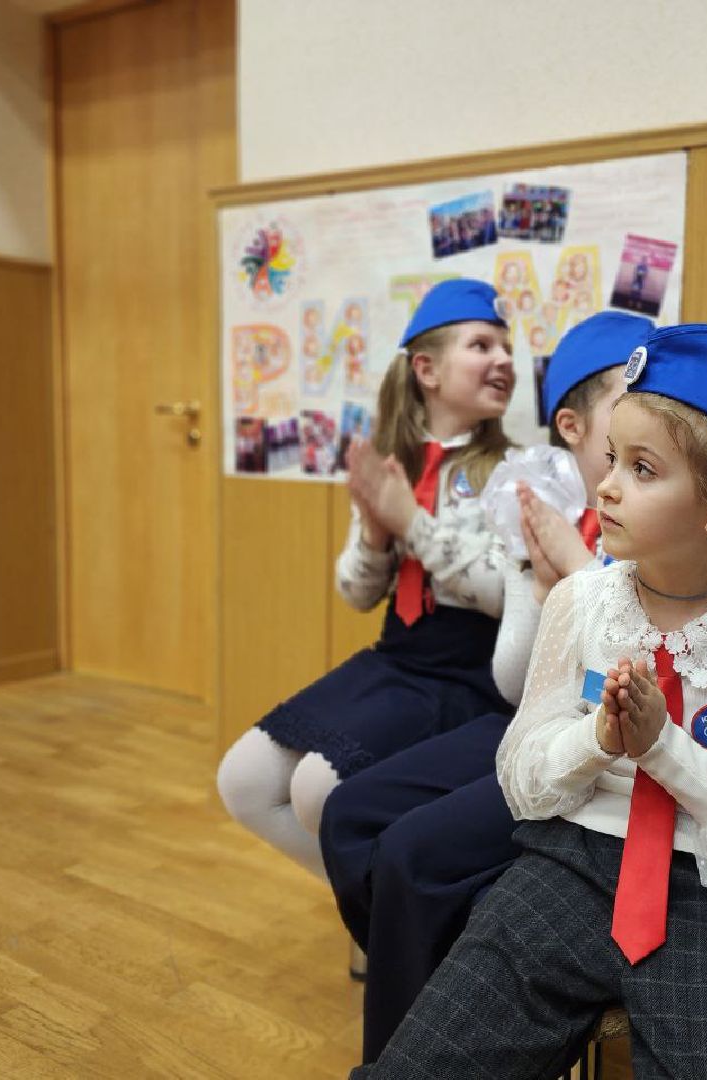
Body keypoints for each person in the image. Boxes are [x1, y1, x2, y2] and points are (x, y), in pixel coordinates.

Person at [355, 322, 707, 1079]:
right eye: (611, 458)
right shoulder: (581, 601)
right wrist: (600, 742)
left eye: (642, 469)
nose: (606, 484)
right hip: (569, 866)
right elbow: (522, 770)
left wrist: (664, 749)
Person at [319, 311, 654, 1064]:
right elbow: (517, 677)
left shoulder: (660, 511)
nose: (650, 420)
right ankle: (429, 987)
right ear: (571, 427)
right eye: (628, 404)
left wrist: (576, 576)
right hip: (528, 713)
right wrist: (541, 585)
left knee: (410, 857)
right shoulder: (536, 500)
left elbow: (659, 669)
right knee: (346, 812)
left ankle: (411, 1040)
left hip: (604, 743)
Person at [216, 279, 515, 878]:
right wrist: (378, 536)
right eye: (482, 346)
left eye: (506, 348)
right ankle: (379, 914)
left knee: (316, 791)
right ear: (427, 370)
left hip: (469, 673)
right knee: (242, 781)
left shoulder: (513, 471)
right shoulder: (390, 464)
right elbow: (356, 593)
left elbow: (506, 597)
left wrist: (414, 524)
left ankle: (401, 925)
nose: (504, 360)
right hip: (398, 657)